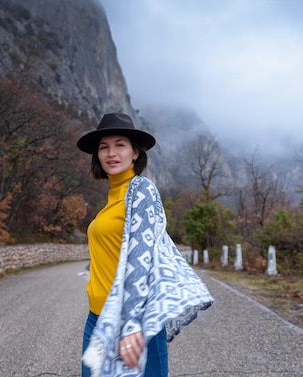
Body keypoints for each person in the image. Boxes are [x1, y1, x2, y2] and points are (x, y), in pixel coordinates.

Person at [77, 113, 214, 377]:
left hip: (132, 322)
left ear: (136, 153)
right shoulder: (110, 202)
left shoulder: (140, 190)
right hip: (97, 319)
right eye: (103, 147)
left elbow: (142, 258)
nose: (111, 153)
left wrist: (133, 326)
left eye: (120, 145)